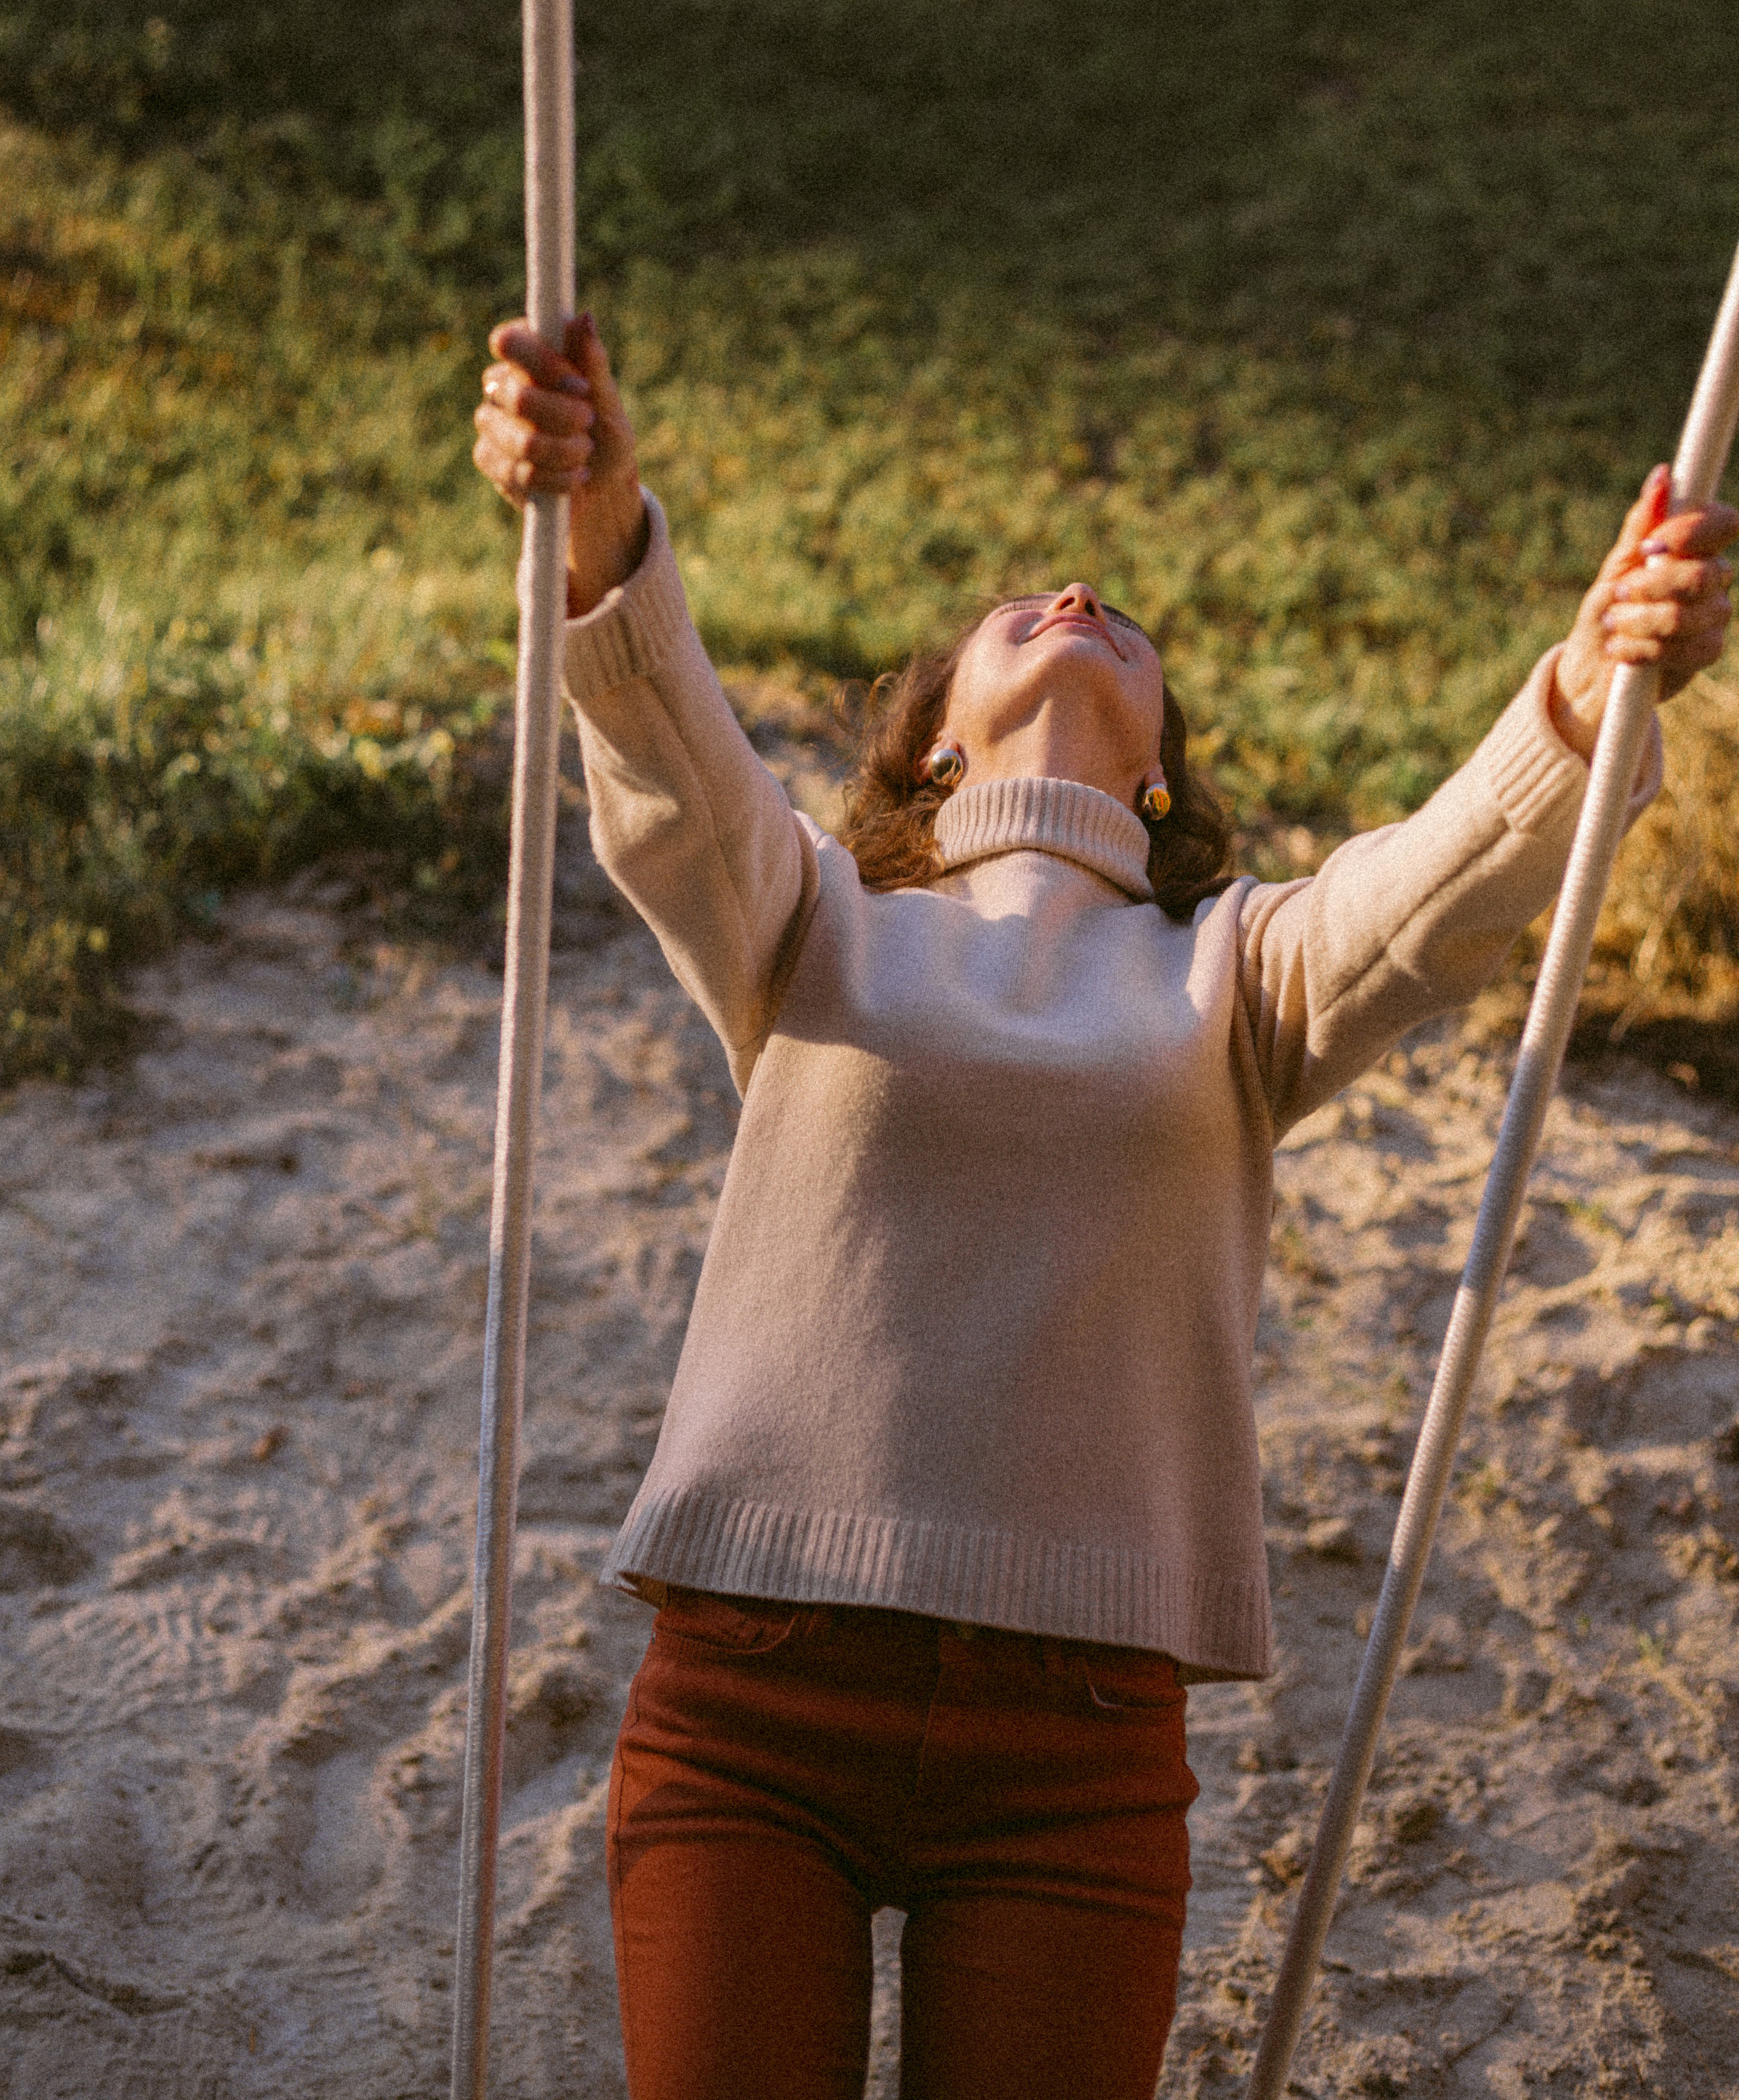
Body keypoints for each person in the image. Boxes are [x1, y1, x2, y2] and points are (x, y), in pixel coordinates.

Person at [473, 312, 1734, 2100]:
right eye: (1012, 611)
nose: (1070, 587)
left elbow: (1438, 888)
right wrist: (595, 523)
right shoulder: (816, 917)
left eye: (1107, 614)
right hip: (753, 1707)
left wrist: (1599, 684)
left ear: (1160, 778)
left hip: (1076, 1759)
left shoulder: (1237, 972)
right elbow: (677, 778)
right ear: (923, 758)